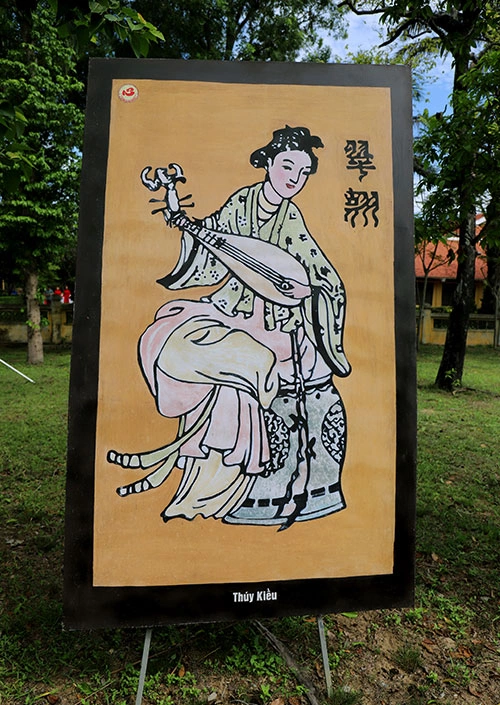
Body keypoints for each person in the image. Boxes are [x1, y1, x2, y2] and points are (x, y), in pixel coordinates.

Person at [108, 126, 351, 530]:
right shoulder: (242, 203)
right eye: (286, 166)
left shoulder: (291, 217)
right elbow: (214, 253)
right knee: (173, 339)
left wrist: (310, 291)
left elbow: (318, 271)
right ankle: (211, 482)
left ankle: (269, 490)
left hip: (276, 322)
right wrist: (190, 229)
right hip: (229, 310)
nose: (293, 178)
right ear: (267, 163)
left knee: (265, 368)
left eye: (303, 172)